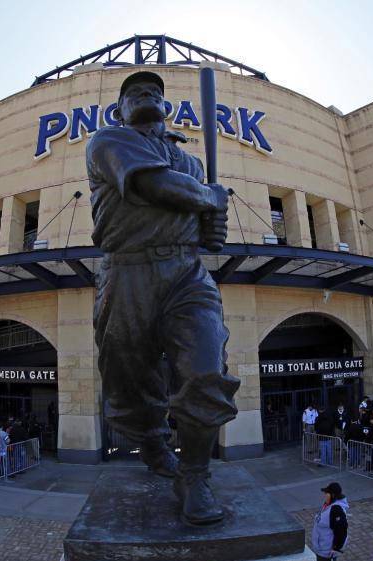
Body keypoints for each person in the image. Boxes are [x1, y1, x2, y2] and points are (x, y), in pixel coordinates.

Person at [86, 70, 238, 525]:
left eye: (155, 91)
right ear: (120, 110)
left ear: (168, 107)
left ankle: (194, 475)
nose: (147, 95)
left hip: (186, 274)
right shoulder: (108, 140)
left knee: (206, 372)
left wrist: (212, 224)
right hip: (127, 272)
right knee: (130, 385)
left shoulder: (189, 161)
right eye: (135, 93)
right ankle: (153, 447)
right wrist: (211, 201)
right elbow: (156, 186)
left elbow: (198, 216)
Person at [311, 482, 348, 561]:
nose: (324, 495)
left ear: (333, 495)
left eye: (326, 493)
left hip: (327, 546)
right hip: (322, 544)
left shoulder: (336, 510)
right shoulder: (328, 504)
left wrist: (336, 548)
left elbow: (341, 531)